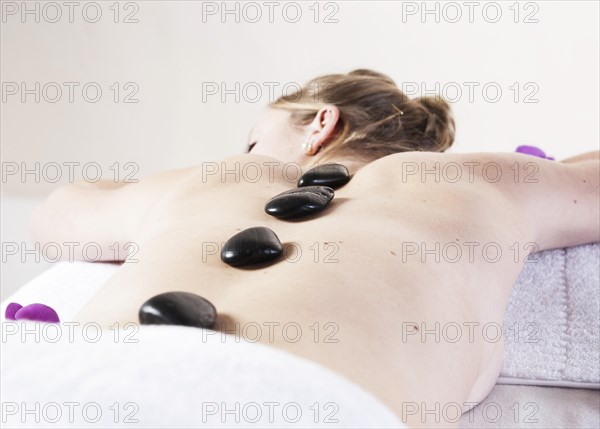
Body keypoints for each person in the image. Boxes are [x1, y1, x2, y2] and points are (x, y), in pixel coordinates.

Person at [31, 69, 599, 428]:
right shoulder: (486, 182)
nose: (249, 152)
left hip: (76, 388)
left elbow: (59, 216)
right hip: (317, 405)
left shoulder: (209, 181)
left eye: (254, 137)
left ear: (321, 123)